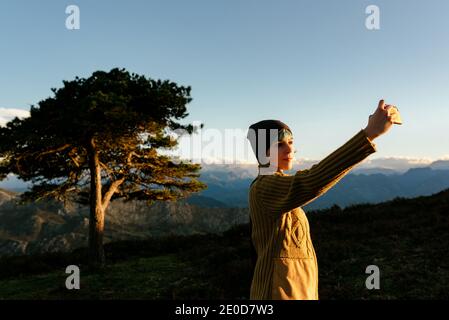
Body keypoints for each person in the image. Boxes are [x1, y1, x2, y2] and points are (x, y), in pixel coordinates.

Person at [246, 99, 401, 300]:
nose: (289, 150)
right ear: (263, 152)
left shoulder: (276, 185)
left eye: (291, 142)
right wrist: (369, 134)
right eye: (279, 144)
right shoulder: (265, 187)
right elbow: (311, 181)